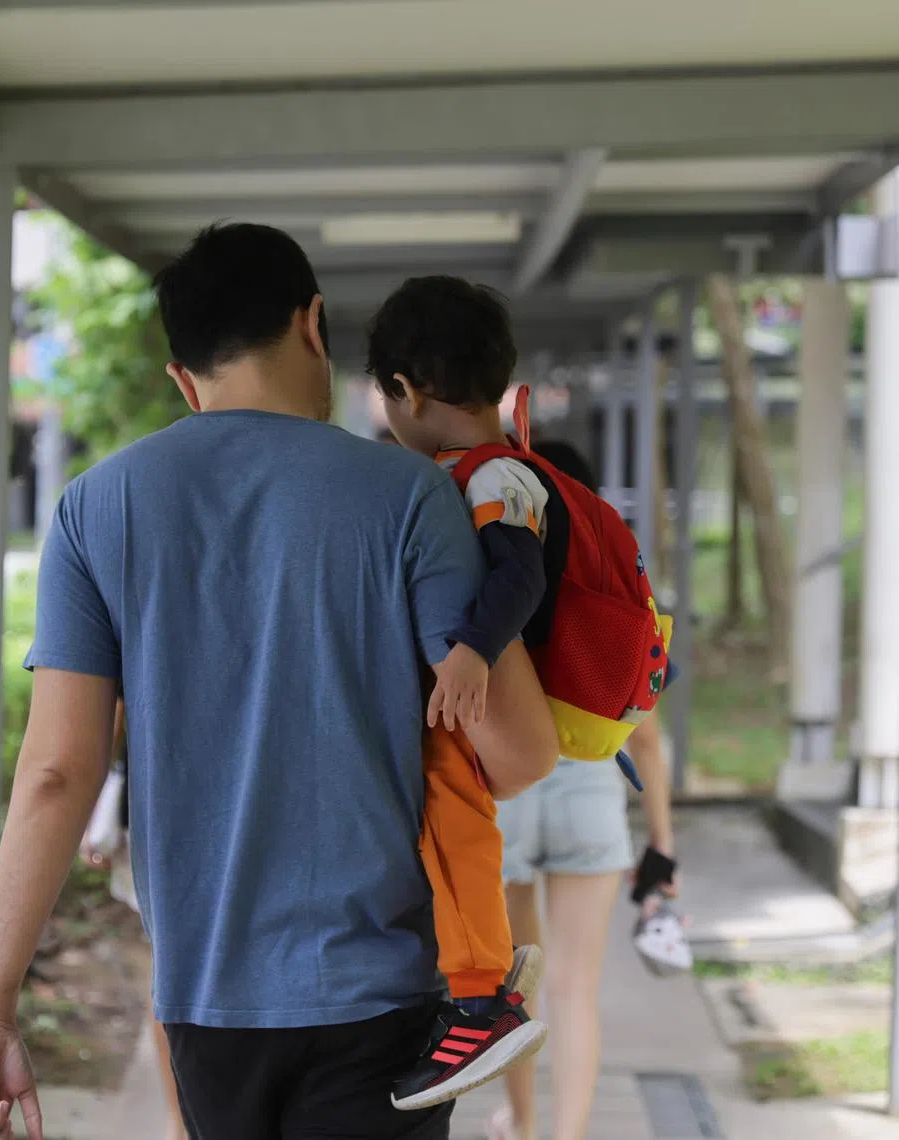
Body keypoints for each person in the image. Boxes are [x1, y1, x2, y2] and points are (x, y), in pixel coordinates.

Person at [0, 223, 559, 1140]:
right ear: (313, 323)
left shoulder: (93, 510)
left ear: (182, 378)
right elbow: (515, 756)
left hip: (205, 997)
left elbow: (54, 775)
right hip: (381, 998)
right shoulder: (408, 496)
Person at [367, 277, 554, 1110]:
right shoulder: (466, 470)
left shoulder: (490, 475)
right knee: (447, 821)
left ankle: (483, 1000)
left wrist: (474, 652)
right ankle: (483, 968)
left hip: (471, 697)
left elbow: (520, 573)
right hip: (461, 693)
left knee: (452, 817)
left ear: (405, 389)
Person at [487, 439, 678, 1140]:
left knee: (518, 988)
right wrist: (662, 846)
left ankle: (524, 1123)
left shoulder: (493, 572)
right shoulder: (611, 581)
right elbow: (648, 736)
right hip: (591, 795)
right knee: (575, 990)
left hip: (507, 793)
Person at [79, 700, 188, 1140]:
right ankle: (180, 1118)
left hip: (156, 792)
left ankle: (180, 1120)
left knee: (169, 960)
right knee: (169, 963)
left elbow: (110, 704)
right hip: (163, 793)